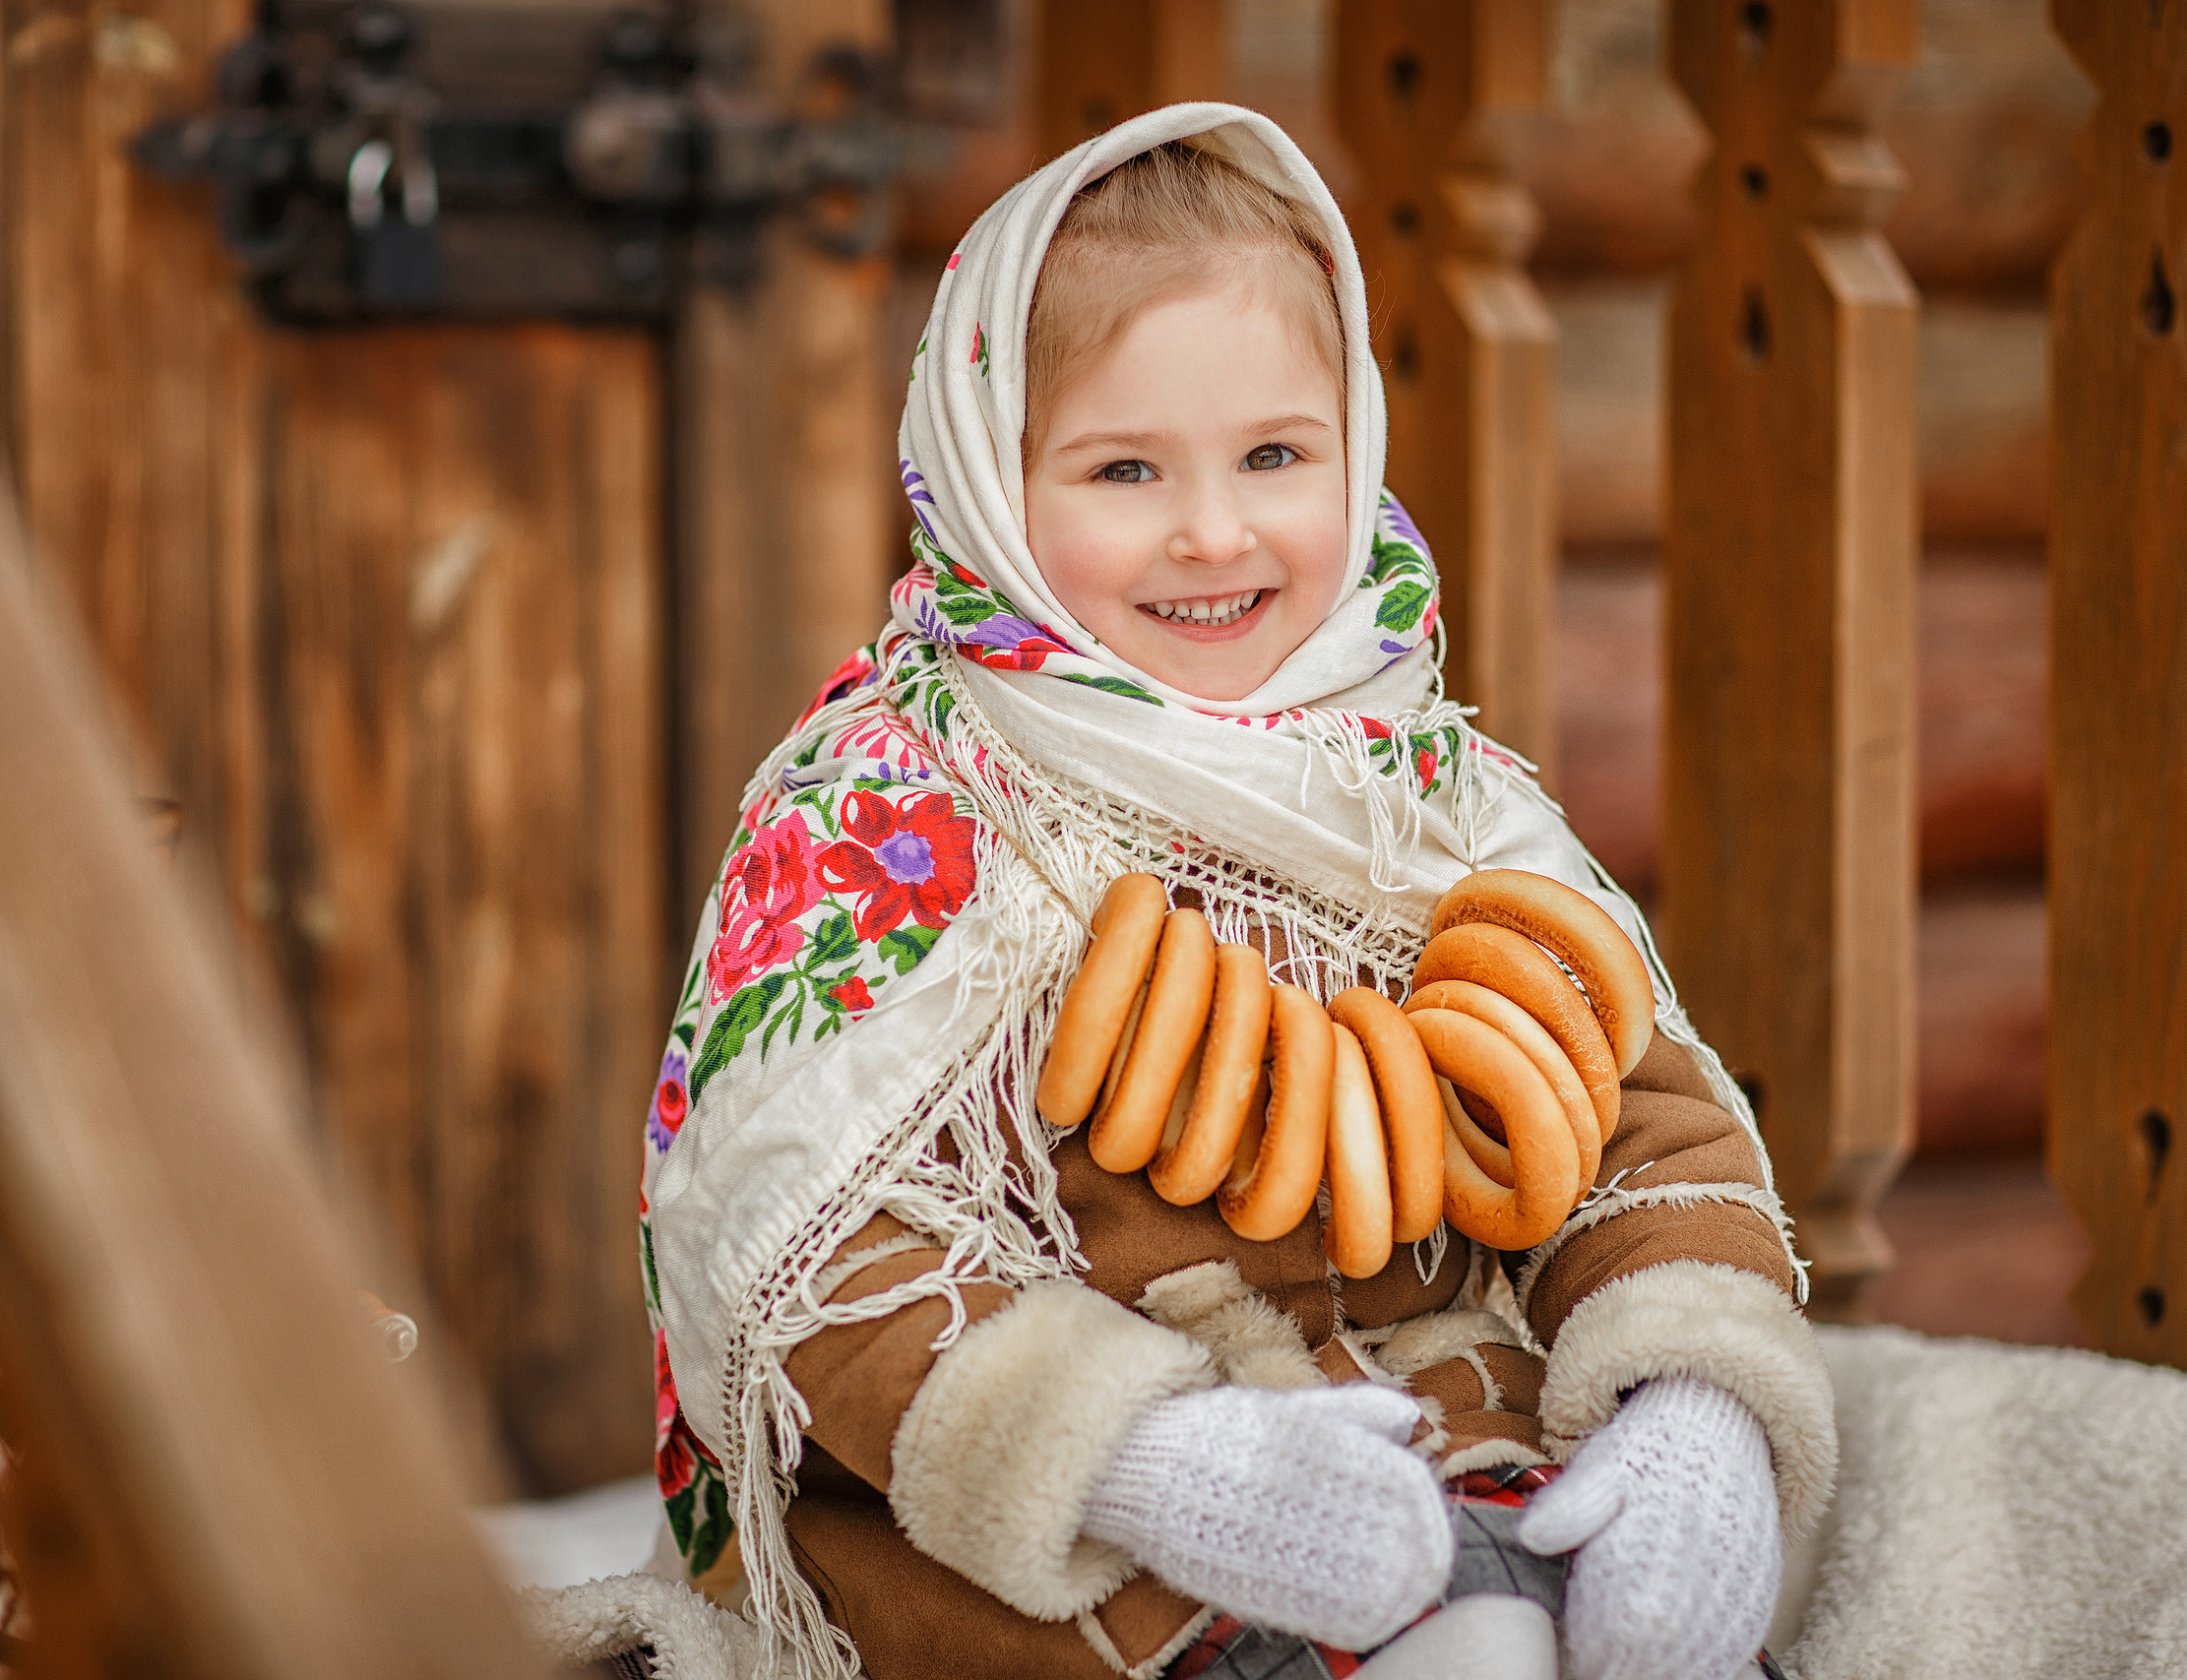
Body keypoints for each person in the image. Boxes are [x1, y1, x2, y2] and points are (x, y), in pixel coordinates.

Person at [639, 104, 1834, 1680]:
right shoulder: (893, 809)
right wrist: (1143, 1461)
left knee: (1592, 1620)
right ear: (988, 480)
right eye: (1123, 468)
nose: (1214, 531)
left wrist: (1698, 1410)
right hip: (1092, 1525)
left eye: (1275, 453)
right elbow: (804, 1245)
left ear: (1356, 439)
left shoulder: (1416, 773)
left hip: (1447, 1434)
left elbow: (1631, 1114)